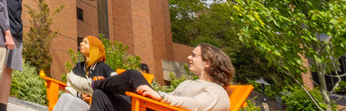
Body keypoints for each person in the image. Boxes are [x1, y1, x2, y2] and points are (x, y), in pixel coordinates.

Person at [91, 44, 234, 111]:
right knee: (100, 96)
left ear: (207, 63)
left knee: (133, 75)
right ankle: (96, 87)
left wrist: (160, 96)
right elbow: (172, 98)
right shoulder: (189, 83)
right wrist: (160, 97)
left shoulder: (216, 91)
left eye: (194, 55)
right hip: (157, 107)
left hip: (159, 108)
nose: (188, 57)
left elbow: (195, 105)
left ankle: (92, 84)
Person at [0, 0, 34, 111]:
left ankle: (2, 105)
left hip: (16, 29)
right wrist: (4, 28)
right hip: (2, 28)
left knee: (9, 70)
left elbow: (17, 3)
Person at [54, 36, 114, 111]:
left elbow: (115, 84)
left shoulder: (104, 68)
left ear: (94, 48)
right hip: (80, 103)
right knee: (65, 96)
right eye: (82, 41)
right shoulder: (79, 67)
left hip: (96, 107)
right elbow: (69, 86)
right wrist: (80, 95)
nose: (81, 44)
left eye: (85, 42)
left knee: (71, 101)